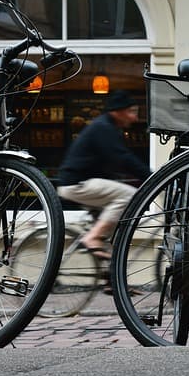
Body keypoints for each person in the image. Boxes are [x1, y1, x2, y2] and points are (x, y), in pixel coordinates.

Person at [57, 90, 151, 260]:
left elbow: (114, 161)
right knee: (130, 196)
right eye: (132, 112)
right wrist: (152, 177)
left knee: (114, 229)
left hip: (79, 182)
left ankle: (110, 282)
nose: (135, 118)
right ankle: (92, 237)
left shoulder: (107, 127)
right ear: (118, 111)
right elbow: (122, 158)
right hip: (78, 183)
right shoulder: (103, 127)